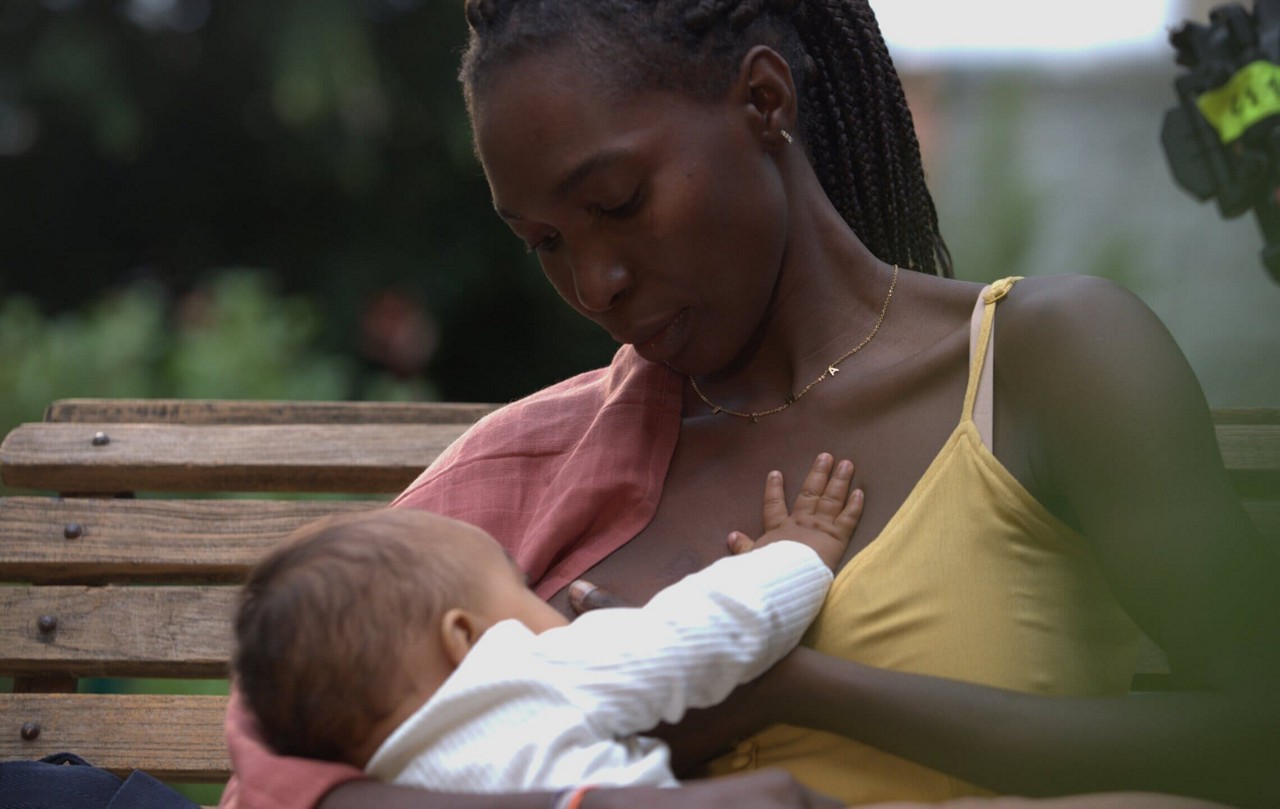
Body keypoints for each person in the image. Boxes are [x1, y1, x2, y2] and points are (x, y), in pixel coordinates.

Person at [219, 1, 1280, 808]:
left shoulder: (1042, 360)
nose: (594, 284)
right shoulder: (536, 471)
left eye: (615, 203)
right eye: (543, 242)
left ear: (763, 101)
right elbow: (291, 774)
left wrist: (791, 688)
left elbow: (1253, 737)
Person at [231, 457, 862, 793]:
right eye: (519, 586)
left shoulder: (386, 781)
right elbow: (706, 630)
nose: (546, 602)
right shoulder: (521, 674)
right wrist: (798, 554)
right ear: (464, 640)